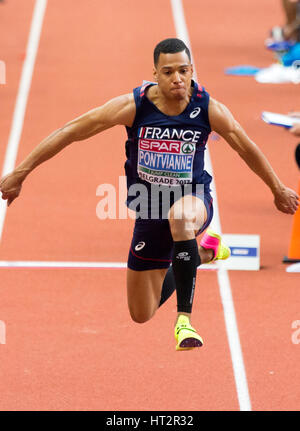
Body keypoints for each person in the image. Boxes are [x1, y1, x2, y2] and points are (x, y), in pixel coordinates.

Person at [0, 38, 299, 351]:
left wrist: (277, 188)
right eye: (168, 71)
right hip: (149, 208)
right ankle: (208, 252)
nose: (177, 78)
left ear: (192, 70)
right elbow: (71, 130)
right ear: (155, 74)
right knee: (142, 312)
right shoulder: (135, 106)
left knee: (181, 217)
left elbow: (245, 146)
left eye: (183, 70)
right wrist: (21, 173)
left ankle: (184, 321)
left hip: (194, 199)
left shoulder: (208, 110)